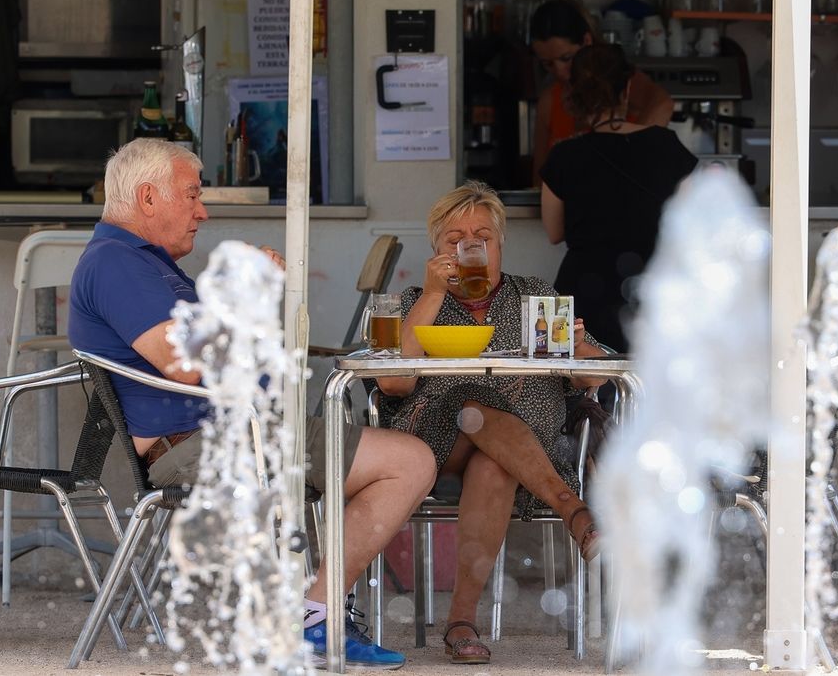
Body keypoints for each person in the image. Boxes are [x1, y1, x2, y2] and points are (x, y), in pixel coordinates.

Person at [67, 138, 434, 670]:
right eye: (190, 195)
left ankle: (311, 613)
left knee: (407, 458)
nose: (202, 211)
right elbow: (186, 363)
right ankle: (312, 618)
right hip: (205, 446)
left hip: (241, 434)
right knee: (408, 462)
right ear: (147, 199)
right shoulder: (117, 262)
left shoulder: (144, 263)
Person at [374, 182, 607, 666]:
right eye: (454, 239)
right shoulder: (417, 300)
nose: (469, 248)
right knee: (471, 405)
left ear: (501, 244)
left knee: (493, 465)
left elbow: (592, 377)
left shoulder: (535, 296)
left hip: (525, 450)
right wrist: (435, 294)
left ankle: (461, 623)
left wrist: (580, 345)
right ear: (437, 251)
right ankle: (574, 510)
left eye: (482, 236)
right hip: (435, 445)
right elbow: (394, 385)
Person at [540, 44, 699, 352]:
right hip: (652, 292)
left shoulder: (564, 155)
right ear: (626, 88)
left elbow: (554, 232)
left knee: (568, 389)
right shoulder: (667, 146)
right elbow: (691, 225)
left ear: (573, 93)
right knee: (649, 389)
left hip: (577, 299)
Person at [529, 0, 674, 178]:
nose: (560, 72)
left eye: (566, 58)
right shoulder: (549, 100)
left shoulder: (619, 78)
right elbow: (539, 178)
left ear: (587, 41)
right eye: (547, 64)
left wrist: (627, 157)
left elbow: (663, 104)